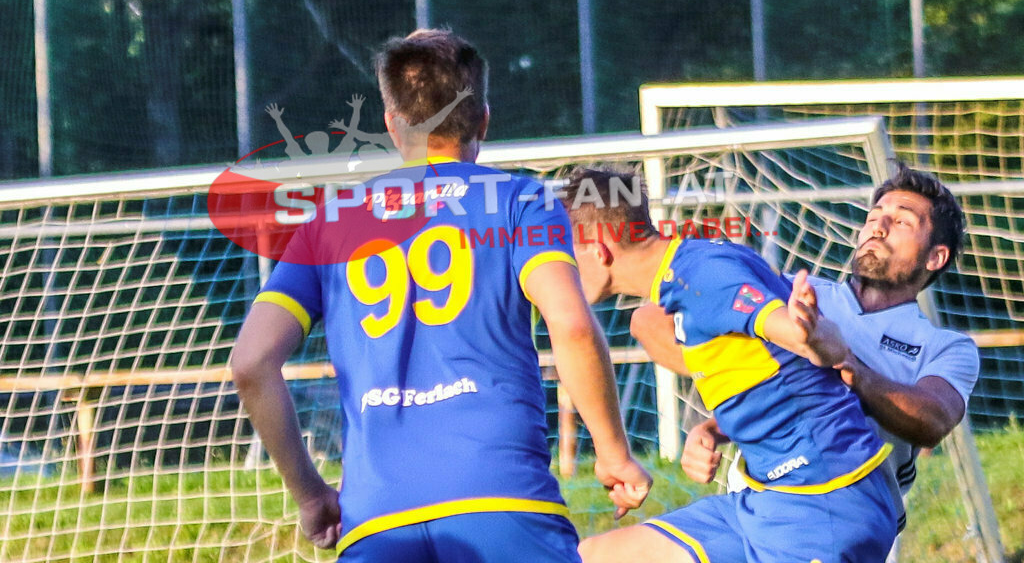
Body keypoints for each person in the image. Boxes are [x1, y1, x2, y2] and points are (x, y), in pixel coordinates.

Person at [231, 29, 651, 563]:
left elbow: (250, 363)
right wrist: (613, 452)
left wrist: (311, 493)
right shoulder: (521, 201)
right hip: (502, 500)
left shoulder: (327, 222)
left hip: (378, 519)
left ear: (390, 124)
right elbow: (569, 325)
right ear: (483, 120)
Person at [632, 161, 979, 552]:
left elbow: (933, 419)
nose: (878, 228)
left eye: (901, 222)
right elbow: (650, 322)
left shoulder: (945, 346)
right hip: (751, 508)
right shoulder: (800, 294)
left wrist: (845, 366)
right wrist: (716, 427)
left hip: (834, 527)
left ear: (935, 258)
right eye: (874, 217)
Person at [561, 167, 899, 563]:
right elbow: (771, 370)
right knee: (594, 556)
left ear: (598, 250)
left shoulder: (704, 277)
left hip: (823, 502)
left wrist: (809, 334)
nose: (556, 267)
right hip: (765, 503)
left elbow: (802, 339)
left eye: (563, 252)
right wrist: (713, 429)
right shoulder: (689, 270)